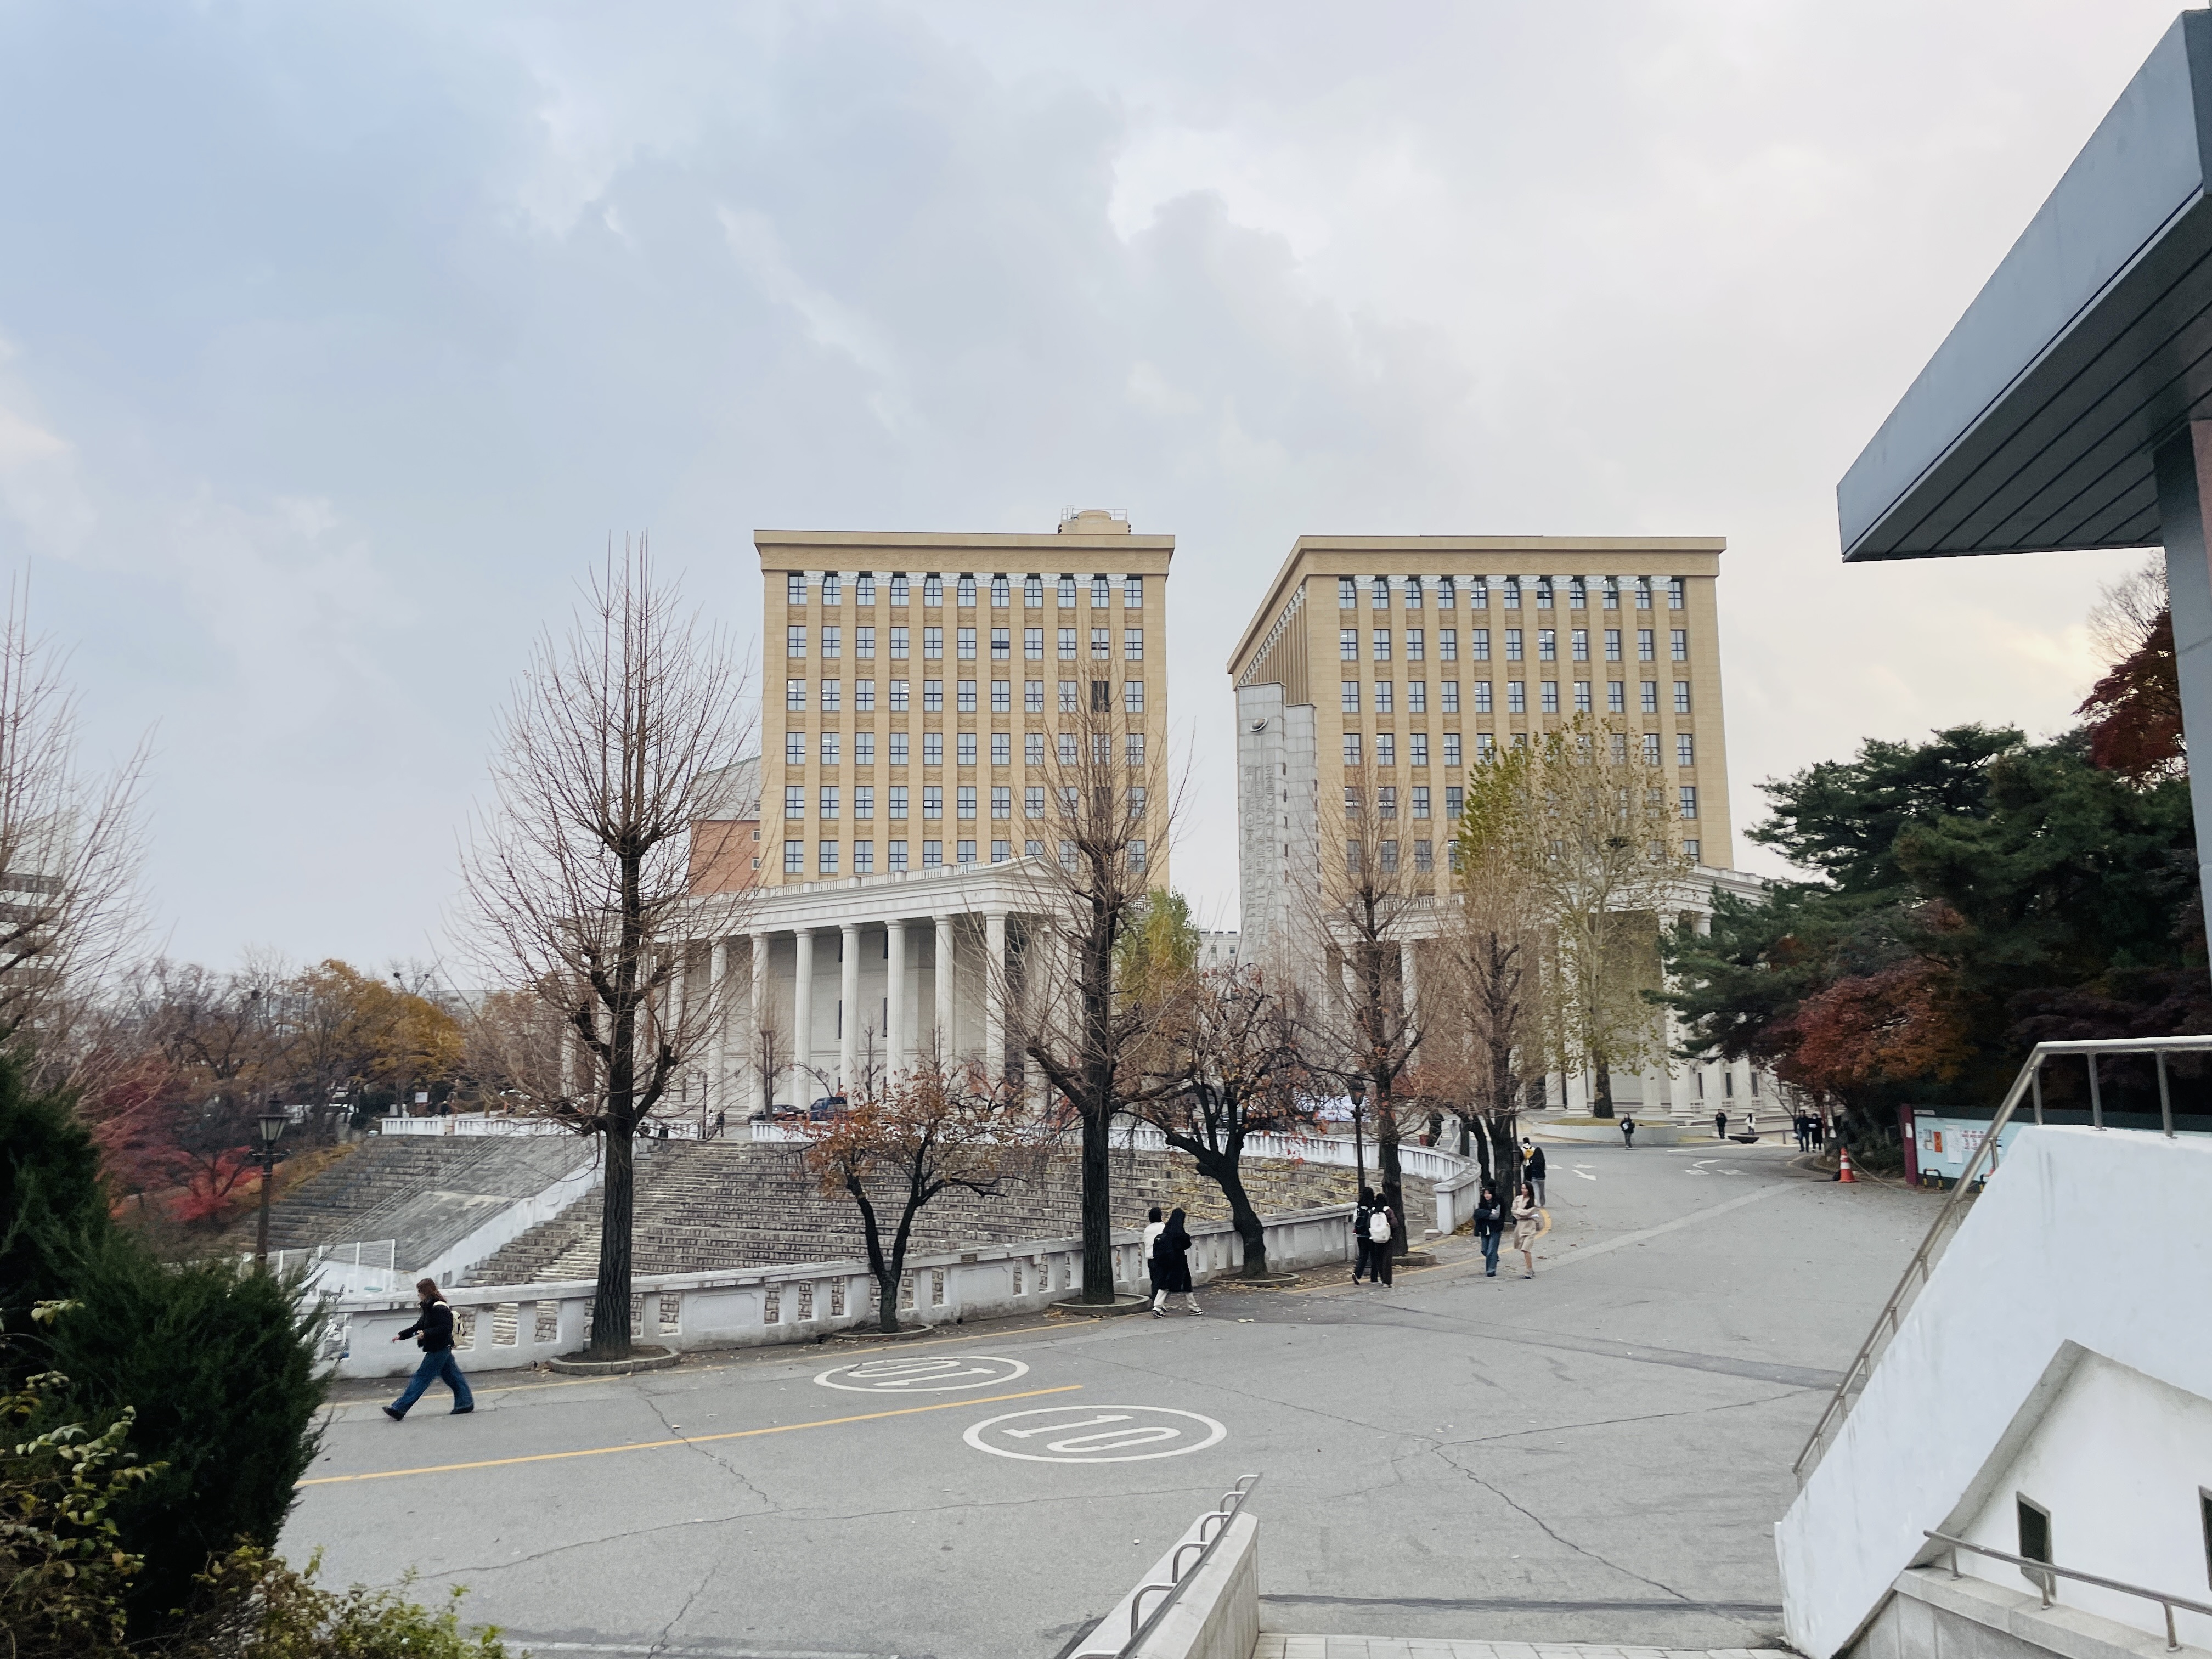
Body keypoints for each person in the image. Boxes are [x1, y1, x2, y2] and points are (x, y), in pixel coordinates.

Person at [384, 1278, 473, 1420]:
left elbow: (445, 1328)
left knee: (421, 1378)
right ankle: (465, 1403)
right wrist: (402, 1335)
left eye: (420, 1292)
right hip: (440, 1348)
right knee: (453, 1377)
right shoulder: (429, 1307)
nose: (418, 1295)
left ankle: (399, 1409)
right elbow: (419, 1326)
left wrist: (426, 1333)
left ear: (426, 1292)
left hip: (439, 1348)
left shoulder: (439, 1308)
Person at [1150, 1209, 1198, 1315]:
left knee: (1165, 1285)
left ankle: (1157, 1306)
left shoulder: (1165, 1233)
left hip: (1166, 1263)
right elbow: (1187, 1245)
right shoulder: (1181, 1235)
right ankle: (1193, 1307)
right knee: (1186, 1285)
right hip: (1179, 1263)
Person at [1511, 1181, 1543, 1278]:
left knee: (1526, 1249)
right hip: (1520, 1227)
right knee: (1522, 1248)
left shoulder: (1534, 1202)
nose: (1523, 1190)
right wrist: (1521, 1213)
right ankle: (1530, 1268)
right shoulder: (1518, 1199)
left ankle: (1529, 1269)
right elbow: (1514, 1212)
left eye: (1525, 1189)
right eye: (1522, 1188)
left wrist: (1520, 1212)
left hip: (1530, 1228)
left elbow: (1529, 1213)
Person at [1474, 1182, 1504, 1277]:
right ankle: (1494, 1258)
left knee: (1491, 1249)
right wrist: (1488, 1214)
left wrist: (1484, 1215)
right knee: (1485, 1249)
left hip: (1495, 1229)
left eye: (1489, 1194)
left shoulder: (1497, 1203)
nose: (1487, 1196)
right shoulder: (1482, 1204)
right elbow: (1476, 1215)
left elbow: (1496, 1216)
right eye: (1485, 1194)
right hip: (1484, 1229)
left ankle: (1491, 1270)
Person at [1365, 1192, 1395, 1288]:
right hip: (1387, 1238)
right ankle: (1387, 1281)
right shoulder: (1388, 1210)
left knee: (1379, 1259)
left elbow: (1368, 1225)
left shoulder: (1373, 1211)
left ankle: (1382, 1279)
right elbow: (1394, 1223)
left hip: (1376, 1239)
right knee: (1387, 1260)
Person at [1351, 1186, 1378, 1284]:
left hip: (1360, 1235)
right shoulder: (1373, 1207)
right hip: (1371, 1235)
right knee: (1374, 1256)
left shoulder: (1359, 1208)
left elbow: (1355, 1220)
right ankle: (1374, 1278)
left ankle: (1357, 1273)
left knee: (1363, 1256)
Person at [1142, 1205, 1166, 1302]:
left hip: (1151, 1259)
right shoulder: (1164, 1228)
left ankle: (1155, 1301)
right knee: (1162, 1283)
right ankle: (1158, 1304)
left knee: (1155, 1281)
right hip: (1161, 1259)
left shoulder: (1147, 1229)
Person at [1521, 1140, 1547, 1207]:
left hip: (1534, 1177)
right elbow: (1545, 1168)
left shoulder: (1532, 1159)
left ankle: (1536, 1203)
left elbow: (1528, 1168)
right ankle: (1542, 1203)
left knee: (1535, 1190)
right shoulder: (1542, 1160)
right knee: (1542, 1191)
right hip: (1542, 1178)